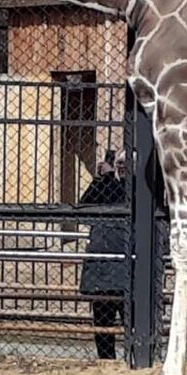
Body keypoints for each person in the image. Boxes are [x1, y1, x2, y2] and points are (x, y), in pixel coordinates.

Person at [78, 149, 129, 360]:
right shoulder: (107, 185)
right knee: (102, 324)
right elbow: (83, 206)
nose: (121, 167)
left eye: (125, 163)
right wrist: (99, 180)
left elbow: (125, 200)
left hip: (126, 268)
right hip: (101, 268)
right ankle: (106, 362)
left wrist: (109, 177)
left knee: (132, 322)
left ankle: (135, 360)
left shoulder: (137, 188)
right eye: (119, 163)